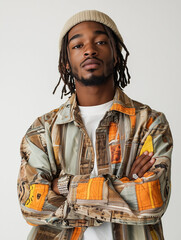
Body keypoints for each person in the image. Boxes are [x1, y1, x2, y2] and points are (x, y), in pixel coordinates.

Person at [17, 10, 173, 240]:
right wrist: (124, 185)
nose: (90, 49)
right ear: (66, 62)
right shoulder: (44, 130)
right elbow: (31, 205)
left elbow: (151, 200)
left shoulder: (150, 122)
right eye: (78, 45)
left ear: (116, 55)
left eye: (100, 41)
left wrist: (61, 186)